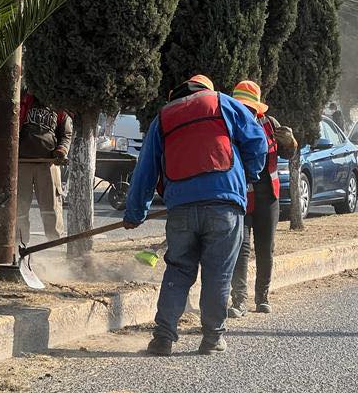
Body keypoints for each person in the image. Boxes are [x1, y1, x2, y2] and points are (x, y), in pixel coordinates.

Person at [123, 74, 267, 356]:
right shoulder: (222, 103)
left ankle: (163, 338)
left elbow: (146, 170)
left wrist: (135, 213)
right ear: (207, 90)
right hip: (224, 205)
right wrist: (249, 173)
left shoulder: (163, 117)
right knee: (218, 273)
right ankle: (212, 338)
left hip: (181, 209)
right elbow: (257, 142)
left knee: (178, 269)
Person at [228, 80, 297, 319]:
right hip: (240, 196)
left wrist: (290, 142)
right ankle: (239, 301)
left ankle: (263, 297)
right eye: (240, 105)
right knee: (240, 249)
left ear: (258, 107)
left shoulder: (270, 125)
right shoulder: (229, 123)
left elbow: (287, 153)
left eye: (249, 106)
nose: (245, 109)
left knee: (266, 249)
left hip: (268, 197)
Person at [0, 91, 73, 252]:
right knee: (19, 209)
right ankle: (20, 246)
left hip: (48, 165)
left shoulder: (58, 105)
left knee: (51, 208)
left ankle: (55, 246)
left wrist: (62, 149)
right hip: (20, 163)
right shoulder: (19, 100)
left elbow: (66, 133)